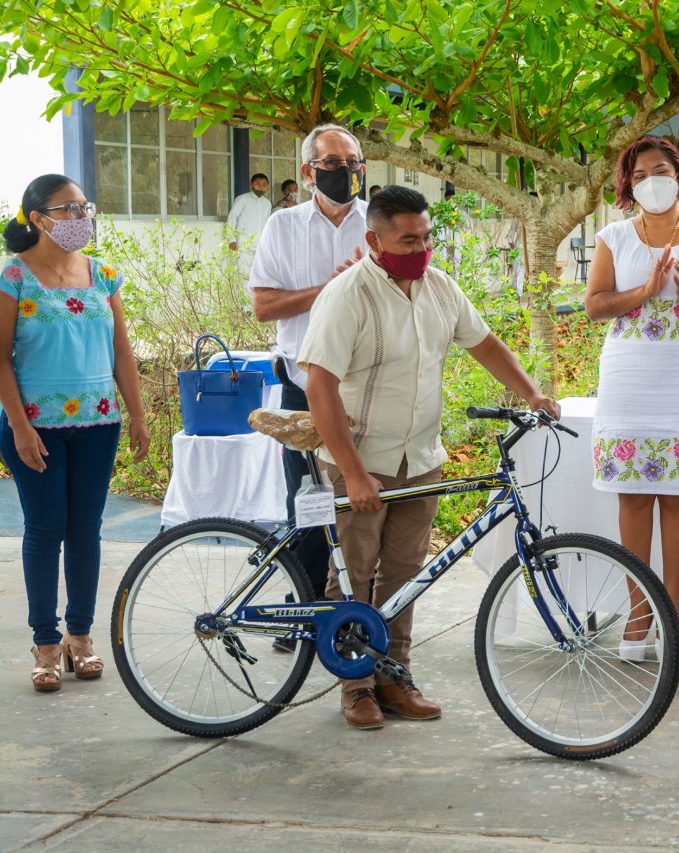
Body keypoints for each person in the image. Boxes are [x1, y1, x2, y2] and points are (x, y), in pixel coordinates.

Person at [299, 185, 559, 730]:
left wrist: (531, 392)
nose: (421, 249)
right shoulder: (347, 295)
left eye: (426, 237)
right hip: (361, 459)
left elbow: (484, 344)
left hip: (420, 457)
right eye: (407, 239)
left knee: (405, 574)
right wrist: (351, 472)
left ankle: (395, 677)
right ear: (373, 240)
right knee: (354, 574)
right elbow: (319, 386)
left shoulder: (439, 287)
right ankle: (356, 686)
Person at [583, 136, 679, 661]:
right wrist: (646, 292)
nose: (654, 180)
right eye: (642, 173)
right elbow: (595, 307)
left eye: (662, 169)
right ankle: (637, 615)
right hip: (628, 375)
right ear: (629, 184)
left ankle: (669, 613)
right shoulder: (613, 236)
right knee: (633, 497)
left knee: (677, 495)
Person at [0, 174, 149, 692]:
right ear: (38, 219)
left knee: (86, 529)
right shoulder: (13, 276)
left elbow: (123, 353)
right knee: (44, 530)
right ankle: (45, 642)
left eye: (86, 206)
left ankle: (80, 638)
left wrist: (137, 414)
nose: (82, 217)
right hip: (35, 426)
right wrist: (18, 425)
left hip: (98, 423)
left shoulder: (103, 274)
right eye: (70, 209)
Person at [249, 124, 368, 609]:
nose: (346, 172)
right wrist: (330, 289)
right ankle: (305, 604)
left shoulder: (377, 223)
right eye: (333, 164)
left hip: (368, 390)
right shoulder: (283, 226)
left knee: (364, 504)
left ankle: (359, 609)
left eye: (354, 162)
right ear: (308, 171)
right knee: (310, 505)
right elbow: (263, 305)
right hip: (303, 388)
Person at [226, 173, 272, 252]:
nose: (261, 186)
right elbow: (232, 217)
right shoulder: (242, 199)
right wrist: (231, 239)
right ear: (251, 184)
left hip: (261, 247)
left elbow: (267, 225)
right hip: (243, 246)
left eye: (264, 184)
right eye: (257, 184)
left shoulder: (267, 204)